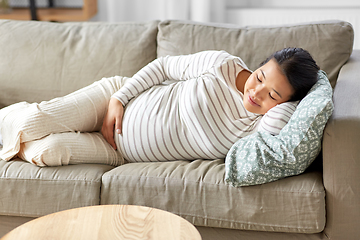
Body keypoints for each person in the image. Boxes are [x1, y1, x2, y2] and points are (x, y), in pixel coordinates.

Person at [0, 48, 319, 167]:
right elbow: (164, 67)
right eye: (261, 76)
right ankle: (14, 121)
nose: (257, 92)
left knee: (47, 152)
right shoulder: (223, 66)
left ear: (285, 104)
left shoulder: (258, 129)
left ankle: (13, 131)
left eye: (273, 95)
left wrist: (303, 97)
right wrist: (119, 99)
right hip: (112, 101)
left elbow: (285, 127)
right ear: (260, 64)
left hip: (118, 152)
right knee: (32, 122)